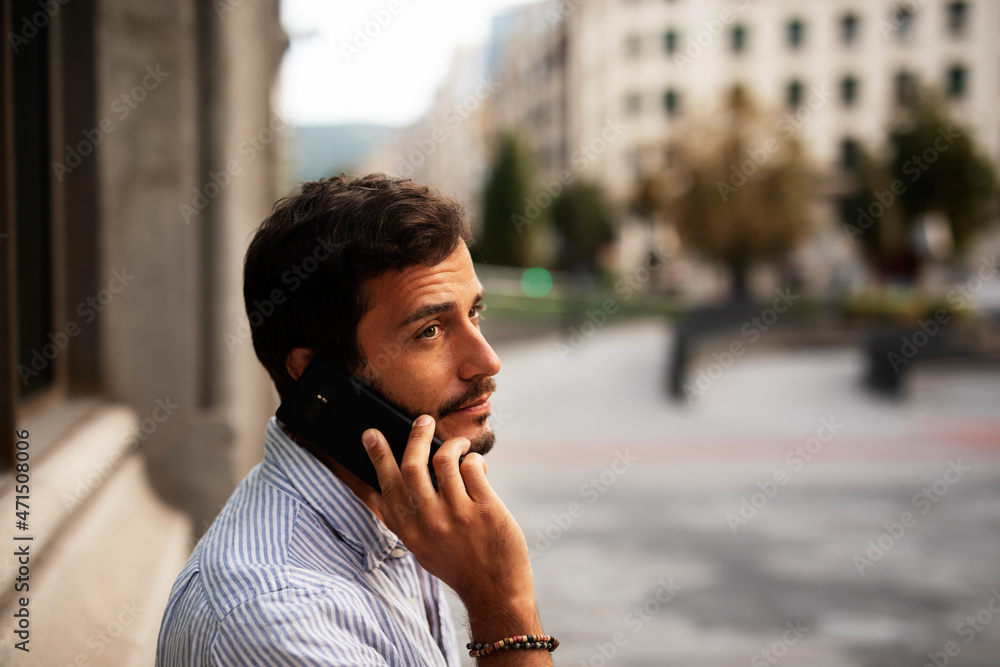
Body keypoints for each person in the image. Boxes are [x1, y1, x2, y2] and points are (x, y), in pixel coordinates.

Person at [156, 174, 556, 666]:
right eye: (430, 330)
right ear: (317, 377)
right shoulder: (275, 619)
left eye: (475, 313)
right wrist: (502, 604)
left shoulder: (402, 506)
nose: (487, 360)